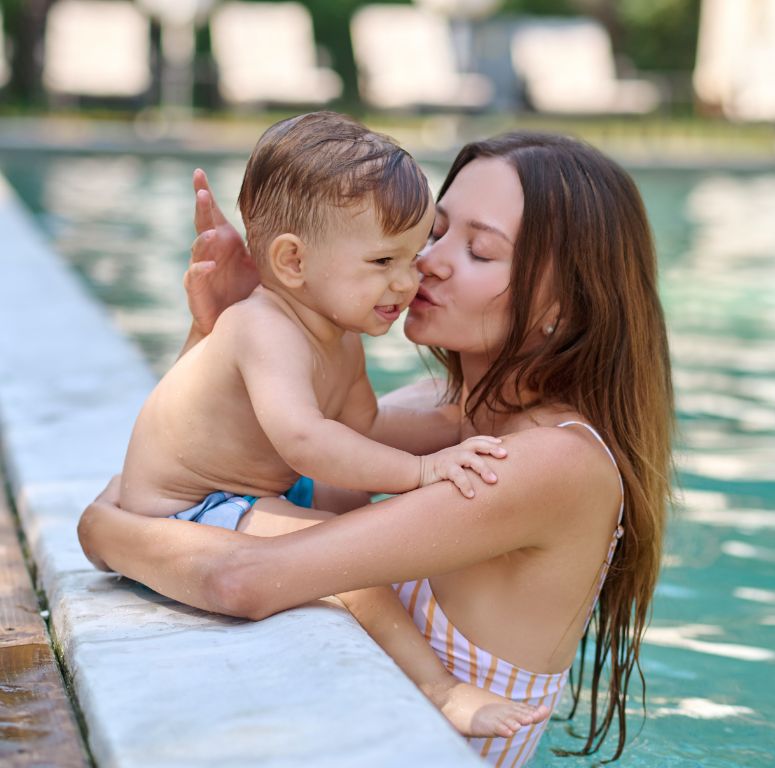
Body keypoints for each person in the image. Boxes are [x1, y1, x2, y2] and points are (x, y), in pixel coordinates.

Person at [79, 131, 674, 765]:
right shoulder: (436, 410)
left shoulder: (553, 463)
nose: (429, 262)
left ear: (563, 304)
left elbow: (239, 576)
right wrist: (226, 330)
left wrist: (98, 528)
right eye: (435, 232)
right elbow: (207, 468)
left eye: (478, 250)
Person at [113, 111, 544, 738]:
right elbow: (307, 442)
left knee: (353, 502)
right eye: (382, 260)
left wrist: (461, 427)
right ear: (292, 262)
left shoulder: (336, 336)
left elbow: (364, 426)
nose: (410, 278)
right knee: (352, 568)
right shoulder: (262, 328)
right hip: (189, 507)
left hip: (252, 491)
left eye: (413, 251)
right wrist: (425, 470)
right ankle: (440, 688)